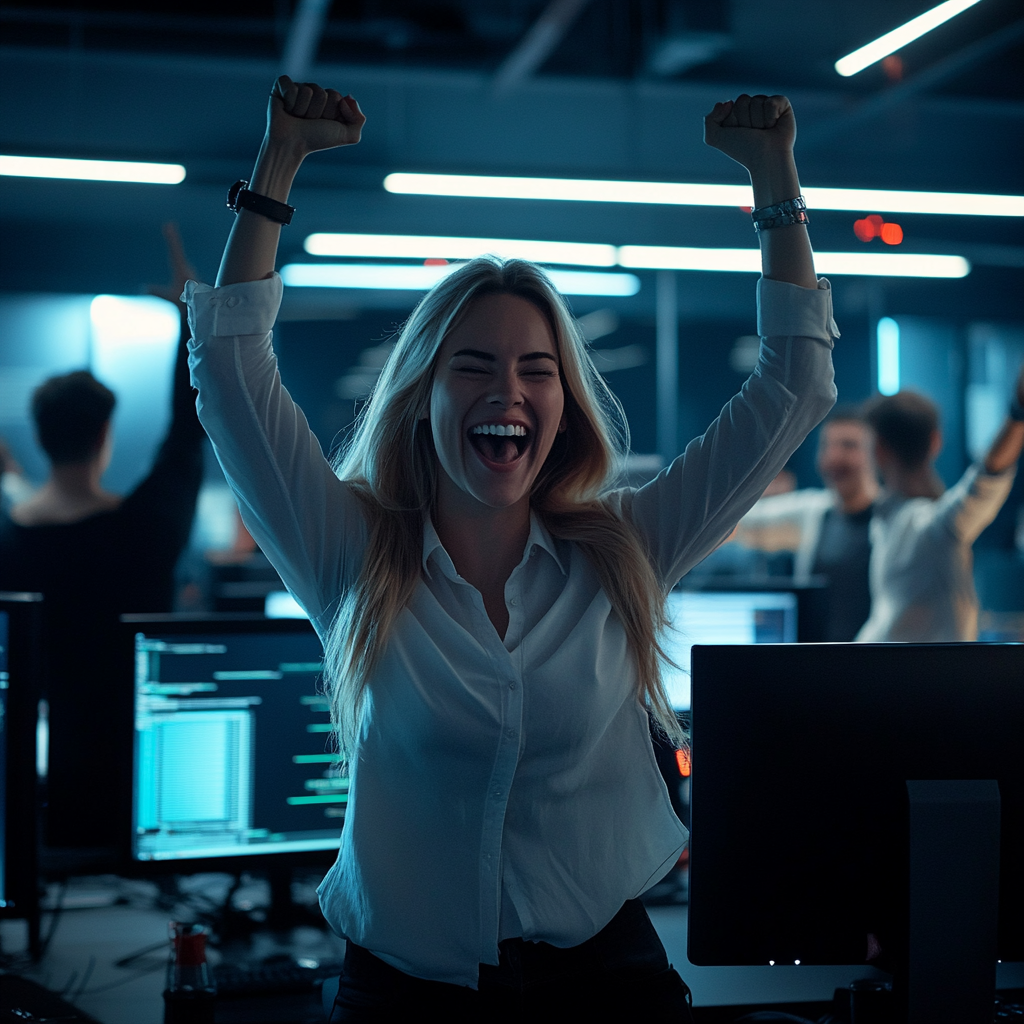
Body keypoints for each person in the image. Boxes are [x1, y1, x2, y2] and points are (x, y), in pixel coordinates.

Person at [185, 75, 837, 1018]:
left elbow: (793, 390)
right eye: (475, 368)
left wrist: (774, 183)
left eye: (538, 370)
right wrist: (278, 160)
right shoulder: (354, 561)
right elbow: (233, 380)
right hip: (407, 994)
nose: (511, 393)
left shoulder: (624, 552)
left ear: (564, 406)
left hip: (605, 979)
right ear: (423, 400)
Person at [0, 225, 207, 849]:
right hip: (149, 786)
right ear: (104, 437)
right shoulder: (145, 529)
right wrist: (189, 322)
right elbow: (187, 433)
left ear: (40, 437)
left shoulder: (10, 542)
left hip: (41, 791)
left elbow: (22, 513)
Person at [855, 371, 1024, 642]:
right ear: (936, 442)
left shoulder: (932, 526)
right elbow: (986, 479)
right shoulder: (891, 517)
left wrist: (1019, 413)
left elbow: (985, 481)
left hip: (927, 682)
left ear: (878, 450)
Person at [732, 405, 879, 639]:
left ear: (876, 453)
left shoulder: (894, 519)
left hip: (874, 662)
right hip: (815, 663)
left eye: (848, 446)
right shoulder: (814, 512)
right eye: (827, 446)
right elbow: (740, 523)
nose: (834, 456)